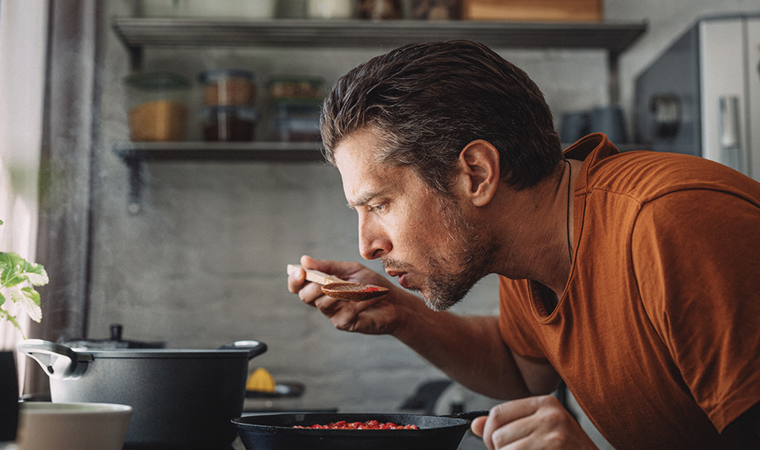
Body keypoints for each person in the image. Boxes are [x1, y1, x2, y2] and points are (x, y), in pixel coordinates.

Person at [287, 39, 760, 449]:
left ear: (476, 173)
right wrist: (401, 315)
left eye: (380, 204)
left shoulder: (672, 225)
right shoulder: (528, 244)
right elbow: (520, 368)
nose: (366, 245)